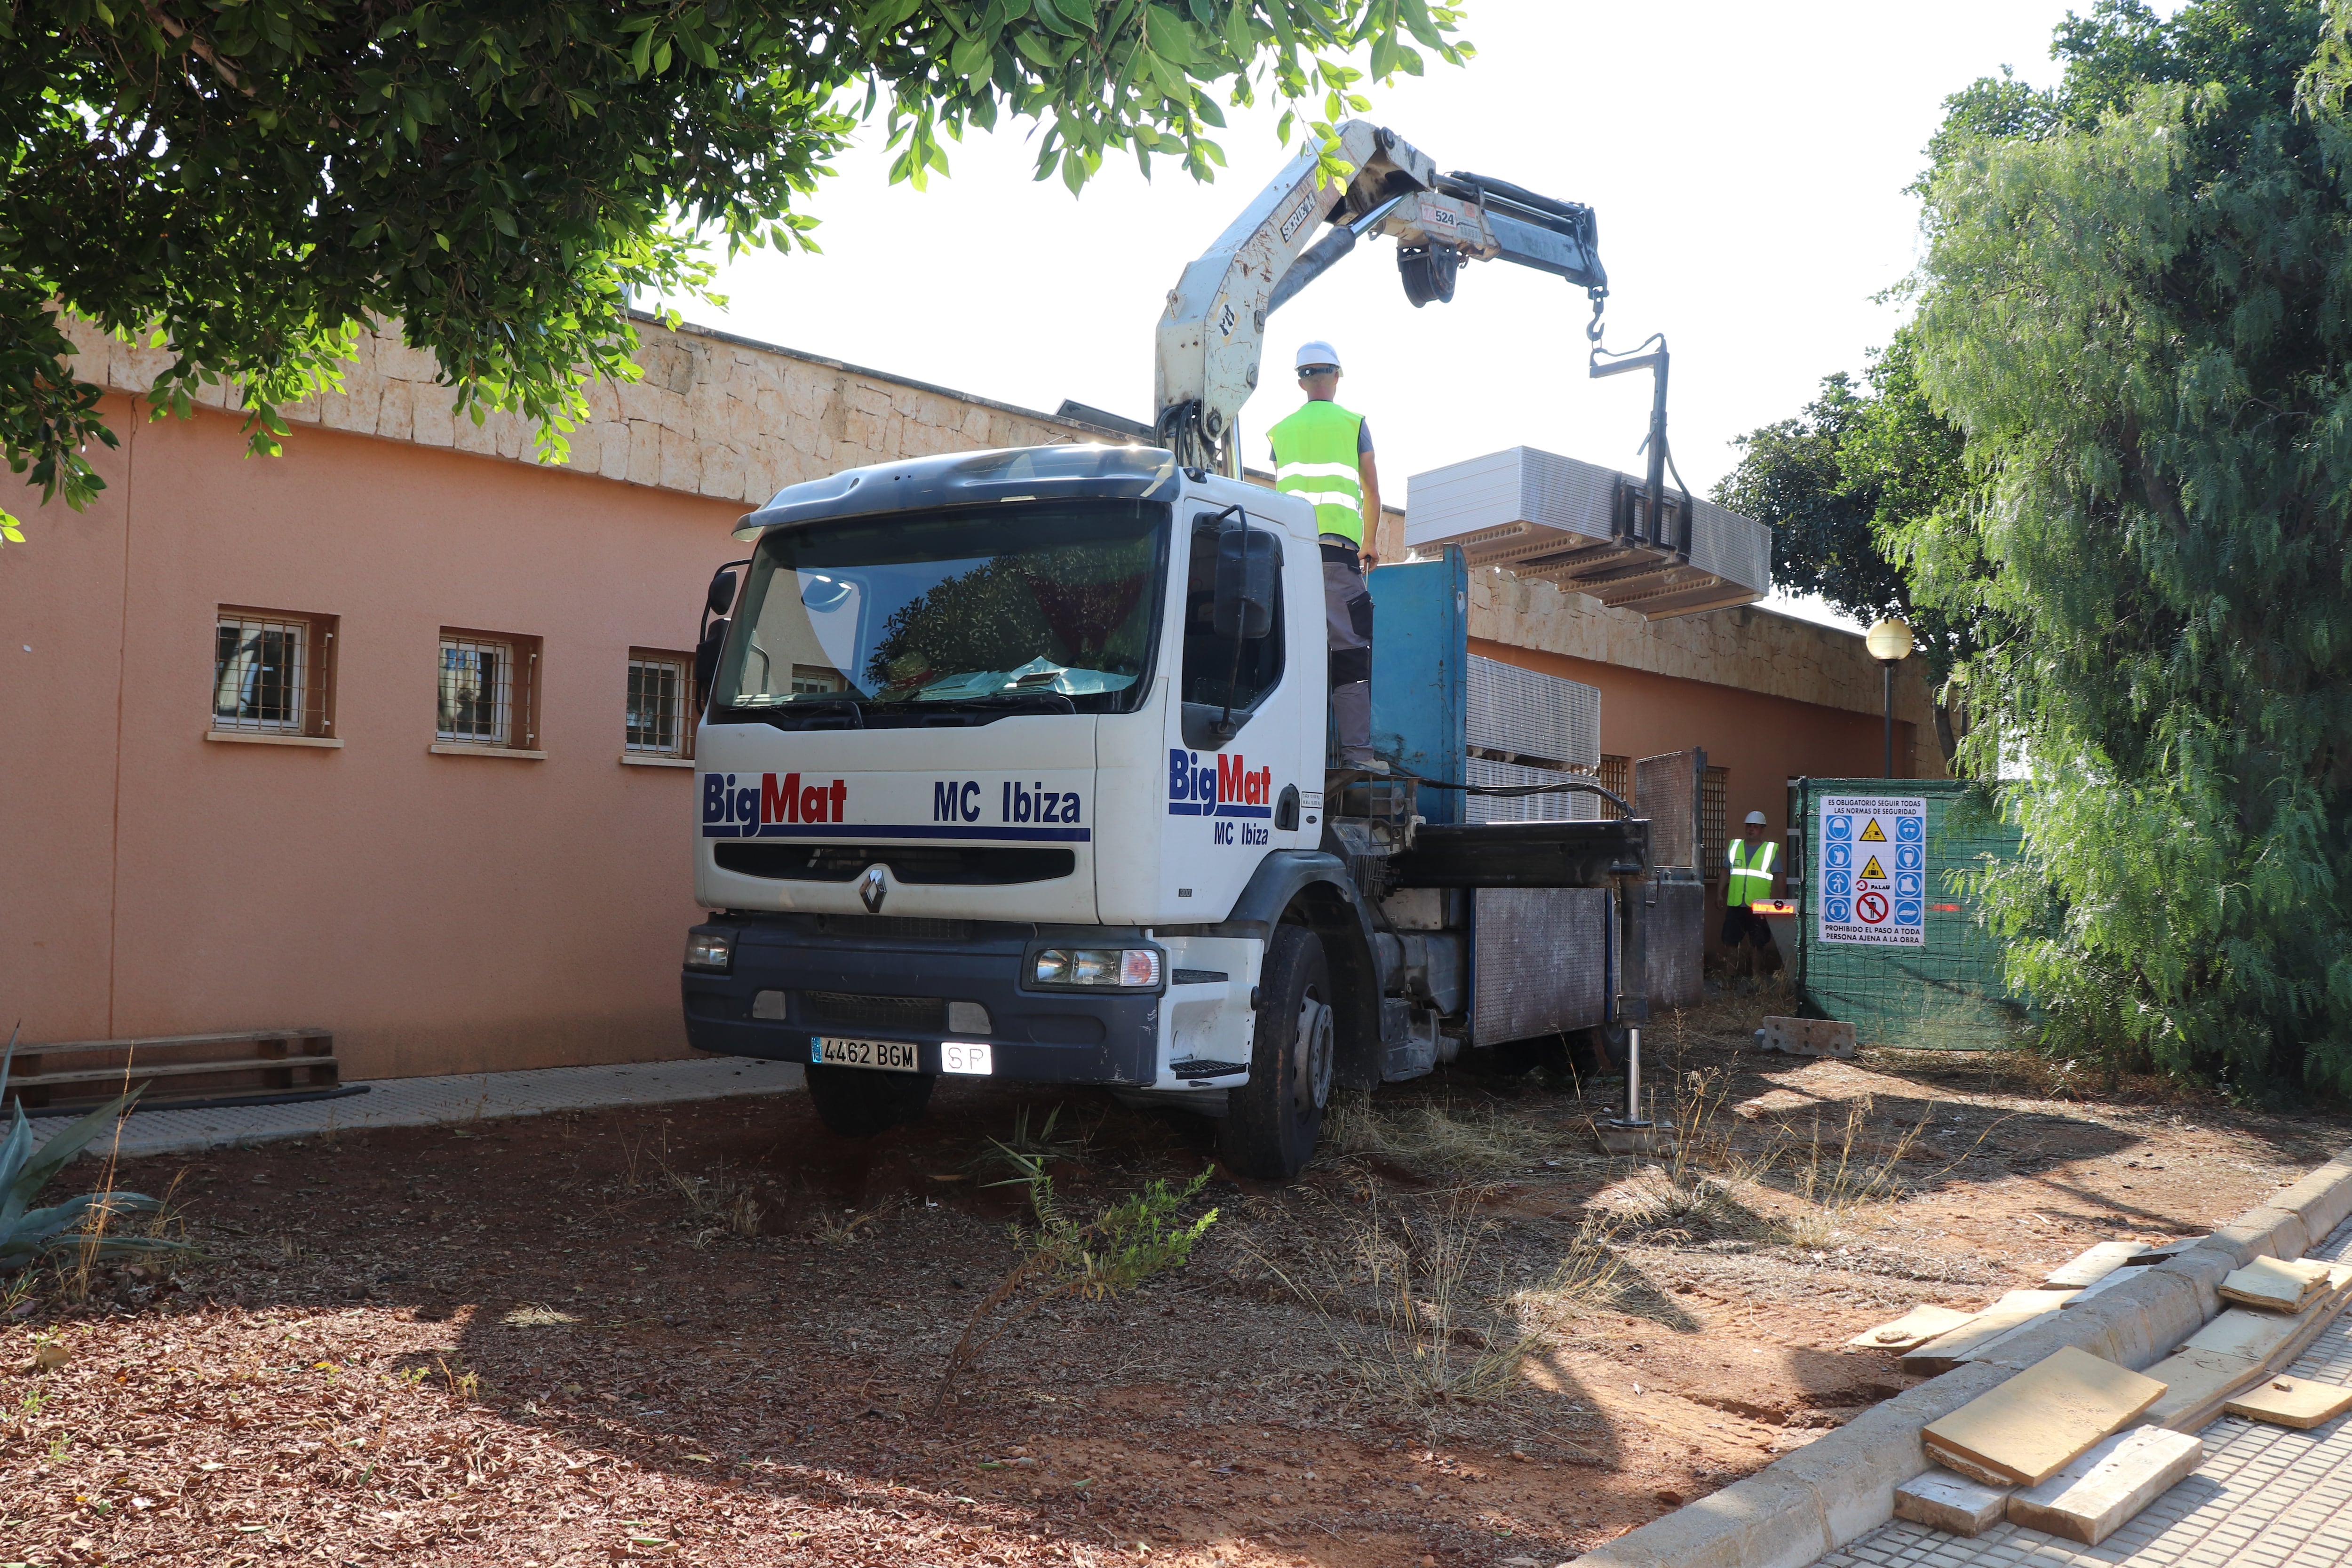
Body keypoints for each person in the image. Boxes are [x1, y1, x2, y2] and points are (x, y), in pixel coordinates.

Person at [1267, 341, 1382, 771]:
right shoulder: (1353, 424)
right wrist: (1370, 540)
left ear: (1301, 380)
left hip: (1289, 559)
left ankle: (1296, 759)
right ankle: (1356, 756)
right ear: (1336, 377)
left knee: (1295, 658)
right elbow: (1371, 489)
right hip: (1336, 557)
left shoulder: (1281, 431)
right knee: (1349, 654)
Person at [1724, 809, 1780, 975]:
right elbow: (1725, 871)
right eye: (1749, 826)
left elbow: (1779, 877)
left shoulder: (1770, 850)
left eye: (1755, 827)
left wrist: (1780, 901)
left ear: (1762, 830)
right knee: (1730, 942)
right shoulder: (1735, 847)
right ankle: (1730, 977)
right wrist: (1720, 894)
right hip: (1735, 904)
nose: (1751, 830)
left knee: (1758, 943)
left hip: (1759, 907)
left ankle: (1757, 979)